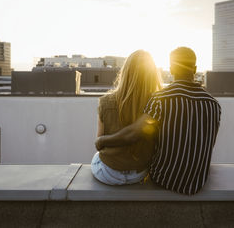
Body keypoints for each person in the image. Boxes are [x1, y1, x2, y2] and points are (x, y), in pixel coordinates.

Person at [96, 47, 221, 195]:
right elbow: (209, 144)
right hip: (198, 181)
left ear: (172, 68)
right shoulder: (213, 104)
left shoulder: (161, 99)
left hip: (164, 179)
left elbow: (134, 133)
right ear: (195, 69)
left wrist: (102, 141)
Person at [91, 50, 162, 185]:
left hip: (107, 173)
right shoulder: (156, 105)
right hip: (139, 173)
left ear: (125, 72)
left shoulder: (105, 101)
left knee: (97, 157)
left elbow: (99, 143)